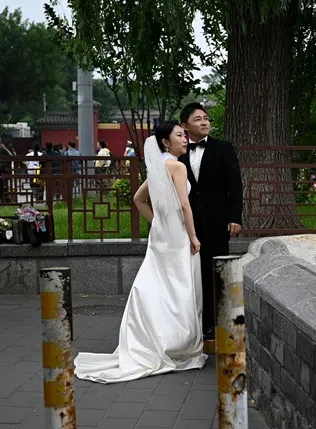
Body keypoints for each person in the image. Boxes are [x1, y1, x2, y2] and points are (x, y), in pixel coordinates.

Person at [74, 122, 206, 383]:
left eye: (184, 135)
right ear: (165, 143)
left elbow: (138, 199)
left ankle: (155, 338)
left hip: (160, 235)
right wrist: (191, 235)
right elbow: (185, 206)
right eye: (179, 135)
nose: (185, 139)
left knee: (158, 283)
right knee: (179, 286)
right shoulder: (177, 167)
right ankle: (176, 343)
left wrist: (157, 221)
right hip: (177, 235)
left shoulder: (158, 168)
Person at [179, 102, 244, 340]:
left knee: (216, 272)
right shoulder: (179, 152)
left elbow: (235, 185)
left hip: (218, 222)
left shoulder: (223, 149)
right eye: (198, 119)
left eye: (206, 118)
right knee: (194, 273)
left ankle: (219, 323)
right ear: (186, 126)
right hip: (188, 223)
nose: (204, 122)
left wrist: (235, 217)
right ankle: (199, 324)